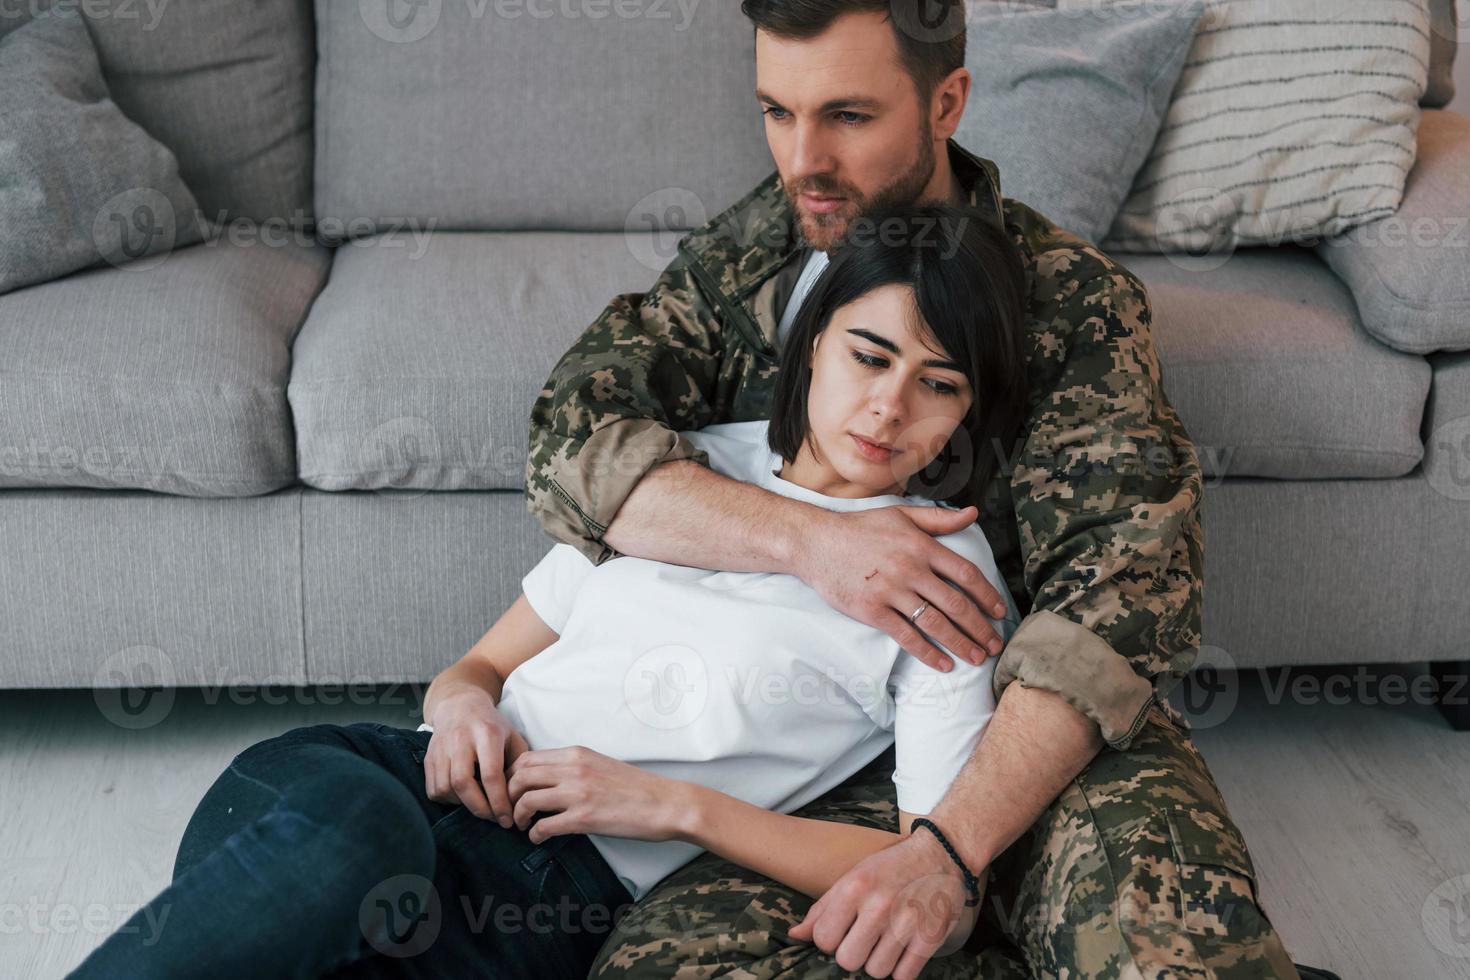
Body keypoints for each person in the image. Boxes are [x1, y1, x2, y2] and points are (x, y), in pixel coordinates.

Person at [525, 3, 1304, 979]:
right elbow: (571, 441)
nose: (802, 160)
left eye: (847, 116)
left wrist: (947, 845)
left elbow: (1124, 597)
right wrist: (810, 541)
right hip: (793, 771)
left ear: (947, 102)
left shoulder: (1072, 299)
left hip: (1026, 741)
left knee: (1171, 960)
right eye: (778, 110)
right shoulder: (745, 259)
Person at [65, 204, 1028, 980]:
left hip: (539, 899)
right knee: (349, 839)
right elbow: (476, 667)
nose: (889, 407)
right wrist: (460, 716)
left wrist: (675, 807)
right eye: (869, 355)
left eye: (937, 383)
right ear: (812, 341)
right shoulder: (685, 475)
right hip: (376, 783)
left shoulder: (945, 579)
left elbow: (923, 862)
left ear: (967, 409)